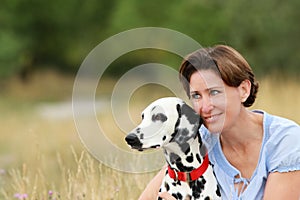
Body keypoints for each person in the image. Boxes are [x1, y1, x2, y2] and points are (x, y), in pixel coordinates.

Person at [139, 45, 300, 200]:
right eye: (196, 96)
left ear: (244, 90)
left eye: (214, 92)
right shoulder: (198, 141)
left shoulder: (285, 141)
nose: (205, 107)